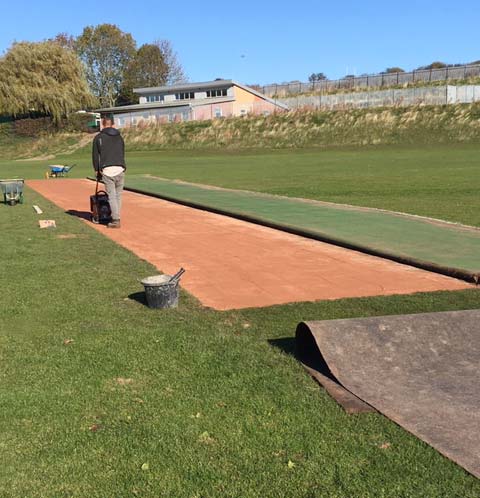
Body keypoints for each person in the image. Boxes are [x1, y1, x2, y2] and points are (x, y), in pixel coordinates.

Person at [92, 114, 126, 228]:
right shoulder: (120, 137)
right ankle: (116, 216)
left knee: (111, 196)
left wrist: (97, 170)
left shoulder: (98, 137)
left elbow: (95, 156)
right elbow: (122, 152)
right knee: (118, 196)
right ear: (112, 124)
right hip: (120, 168)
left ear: (102, 124)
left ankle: (116, 219)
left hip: (107, 170)